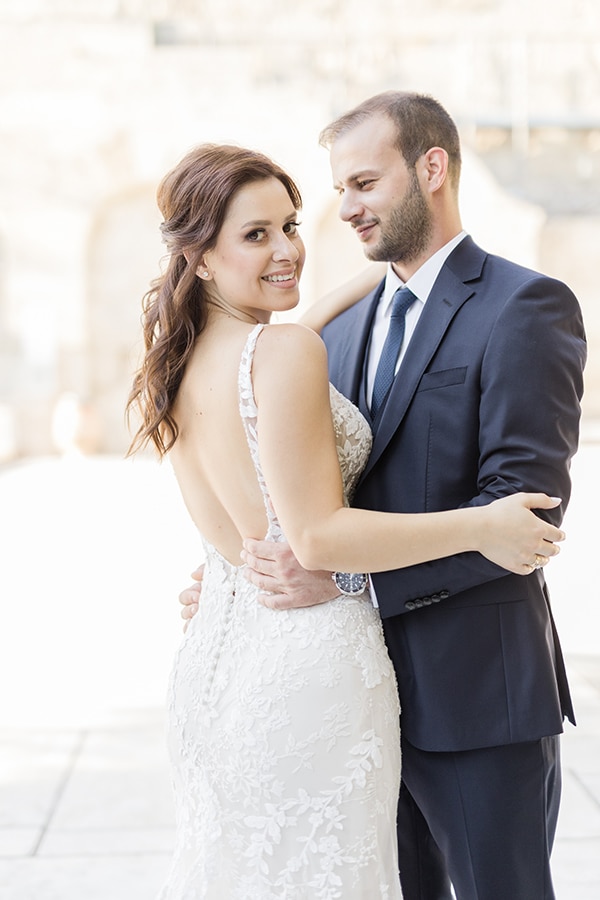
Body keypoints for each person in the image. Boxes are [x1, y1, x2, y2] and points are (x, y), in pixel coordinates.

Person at [127, 142, 566, 900]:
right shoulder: (285, 350)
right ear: (199, 258)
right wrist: (481, 526)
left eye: (290, 226)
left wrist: (369, 284)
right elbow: (316, 538)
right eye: (256, 235)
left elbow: (253, 507)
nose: (288, 249)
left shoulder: (183, 361)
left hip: (223, 672)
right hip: (311, 667)